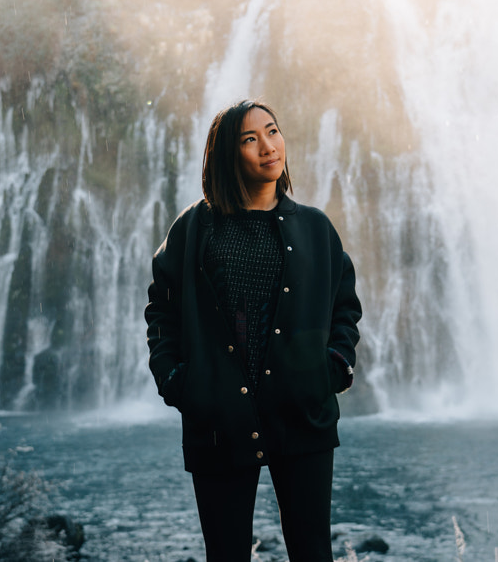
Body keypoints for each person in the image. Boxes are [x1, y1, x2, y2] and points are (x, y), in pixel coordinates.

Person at [145, 99, 362, 562]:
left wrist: (336, 366)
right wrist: (176, 380)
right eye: (250, 139)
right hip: (218, 419)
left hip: (302, 413)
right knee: (225, 555)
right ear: (227, 154)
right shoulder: (193, 228)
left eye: (273, 131)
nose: (268, 146)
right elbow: (160, 309)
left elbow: (345, 305)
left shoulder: (316, 228)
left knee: (312, 553)